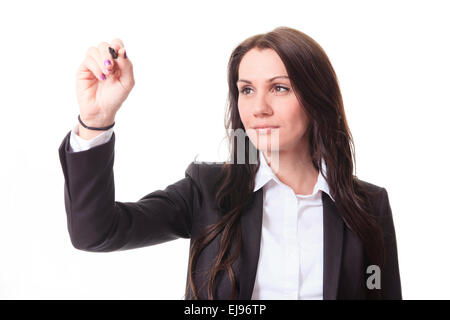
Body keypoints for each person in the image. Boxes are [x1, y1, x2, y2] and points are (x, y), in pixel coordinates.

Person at [58, 26, 402, 300]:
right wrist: (96, 120)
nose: (258, 108)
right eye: (247, 90)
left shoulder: (368, 207)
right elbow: (96, 233)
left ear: (317, 99)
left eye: (280, 88)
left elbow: (379, 292)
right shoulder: (207, 192)